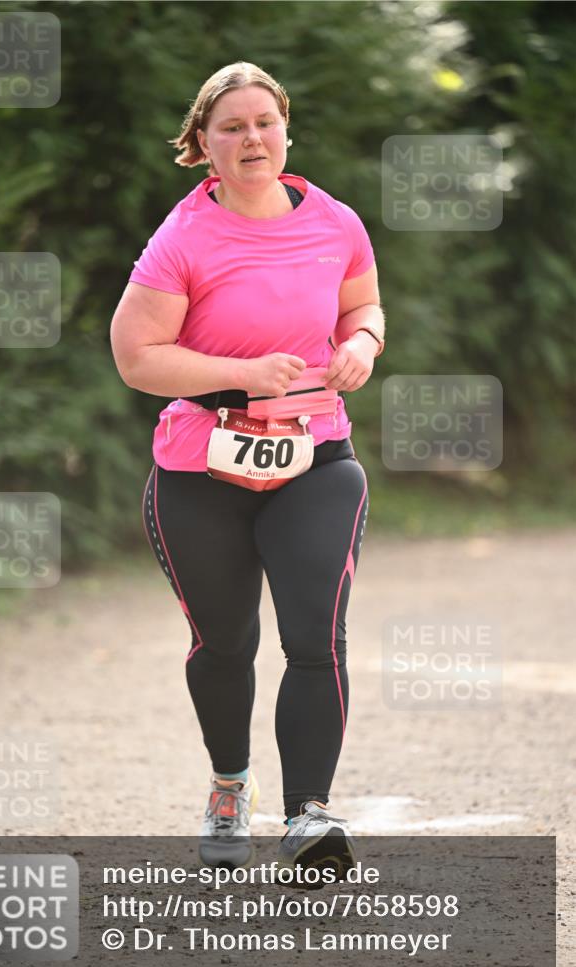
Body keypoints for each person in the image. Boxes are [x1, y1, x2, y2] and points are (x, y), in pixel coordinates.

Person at [111, 62, 384, 874]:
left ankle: (308, 815)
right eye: (230, 127)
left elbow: (362, 306)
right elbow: (136, 358)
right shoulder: (183, 237)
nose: (250, 138)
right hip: (201, 468)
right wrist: (235, 377)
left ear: (286, 129)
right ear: (202, 145)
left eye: (263, 121)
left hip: (315, 458)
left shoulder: (334, 222)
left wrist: (361, 345)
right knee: (224, 645)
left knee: (315, 638)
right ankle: (230, 786)